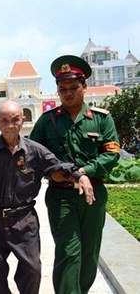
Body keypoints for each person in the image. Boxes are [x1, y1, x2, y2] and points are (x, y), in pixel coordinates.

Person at [0, 100, 94, 294]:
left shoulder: (35, 150)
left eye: (15, 120)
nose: (10, 125)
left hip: (25, 219)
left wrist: (79, 175)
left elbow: (58, 165)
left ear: (23, 120)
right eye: (5, 120)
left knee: (32, 269)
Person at [30, 55, 120, 294]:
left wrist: (83, 172)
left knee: (89, 254)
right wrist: (53, 172)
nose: (68, 93)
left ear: (84, 87)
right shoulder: (47, 122)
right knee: (69, 252)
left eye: (73, 88)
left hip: (93, 196)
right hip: (61, 197)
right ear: (57, 91)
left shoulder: (101, 119)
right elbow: (33, 155)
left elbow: (111, 154)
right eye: (62, 89)